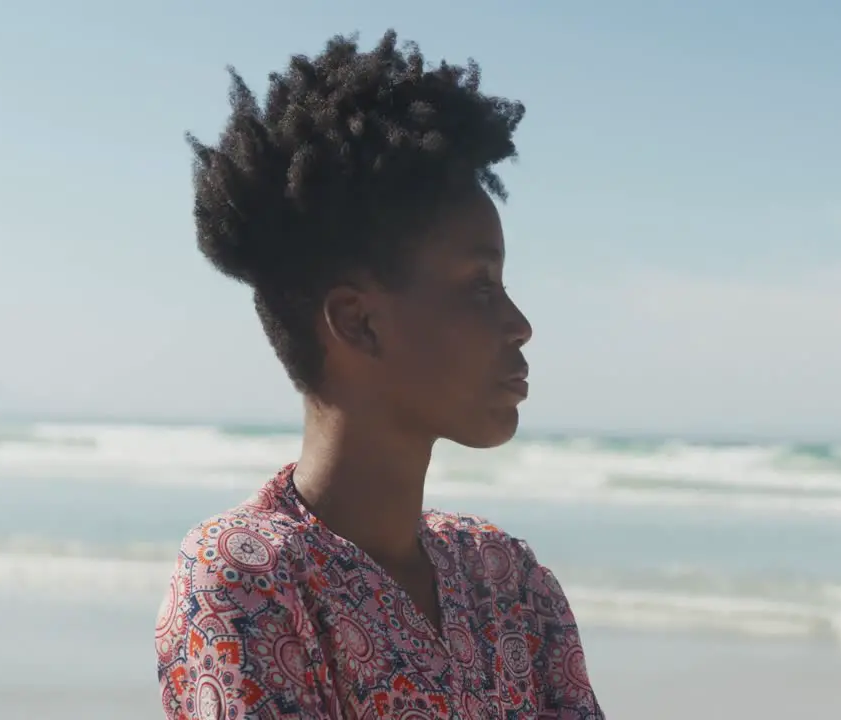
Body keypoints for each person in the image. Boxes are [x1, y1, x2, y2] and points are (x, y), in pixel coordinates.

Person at [153, 30, 605, 719]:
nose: (519, 323)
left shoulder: (511, 581)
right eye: (480, 287)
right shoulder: (243, 577)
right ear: (359, 322)